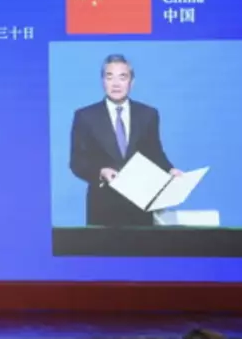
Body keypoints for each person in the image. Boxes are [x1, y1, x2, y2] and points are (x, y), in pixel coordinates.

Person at [69, 54, 182, 226]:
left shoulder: (148, 114)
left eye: (122, 77)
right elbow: (77, 161)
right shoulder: (85, 116)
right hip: (102, 204)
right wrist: (100, 172)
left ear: (131, 82)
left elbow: (155, 152)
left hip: (141, 201)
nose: (116, 84)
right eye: (109, 77)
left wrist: (170, 170)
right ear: (102, 81)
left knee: (142, 244)